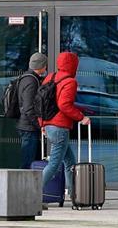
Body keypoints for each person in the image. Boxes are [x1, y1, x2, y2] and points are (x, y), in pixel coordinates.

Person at [38, 51, 89, 203]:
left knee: (70, 162)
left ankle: (75, 195)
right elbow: (64, 105)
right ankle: (32, 193)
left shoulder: (49, 78)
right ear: (74, 65)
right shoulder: (70, 82)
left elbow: (40, 103)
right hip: (60, 127)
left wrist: (42, 124)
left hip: (48, 125)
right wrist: (82, 117)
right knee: (53, 164)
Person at [17, 52, 47, 169]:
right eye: (45, 65)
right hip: (28, 127)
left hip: (26, 125)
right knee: (27, 162)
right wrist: (39, 125)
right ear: (40, 66)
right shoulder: (31, 81)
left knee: (29, 160)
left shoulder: (25, 77)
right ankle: (23, 187)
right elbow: (29, 108)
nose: (46, 68)